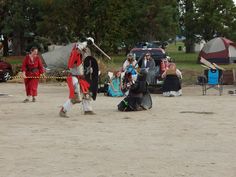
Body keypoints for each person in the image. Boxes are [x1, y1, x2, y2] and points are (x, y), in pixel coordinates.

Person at [59, 39, 95, 118]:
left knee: (87, 93)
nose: (84, 50)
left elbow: (85, 66)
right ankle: (63, 110)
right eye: (83, 49)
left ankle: (87, 110)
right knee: (76, 98)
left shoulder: (82, 56)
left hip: (81, 79)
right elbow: (78, 50)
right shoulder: (74, 54)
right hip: (73, 78)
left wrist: (90, 69)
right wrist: (86, 41)